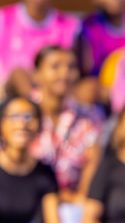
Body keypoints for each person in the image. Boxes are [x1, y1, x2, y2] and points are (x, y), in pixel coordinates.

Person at [27, 45, 104, 199]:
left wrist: (78, 198)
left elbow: (92, 167)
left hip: (72, 204)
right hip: (28, 200)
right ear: (37, 74)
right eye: (55, 67)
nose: (65, 74)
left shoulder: (90, 116)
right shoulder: (23, 113)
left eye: (71, 67)